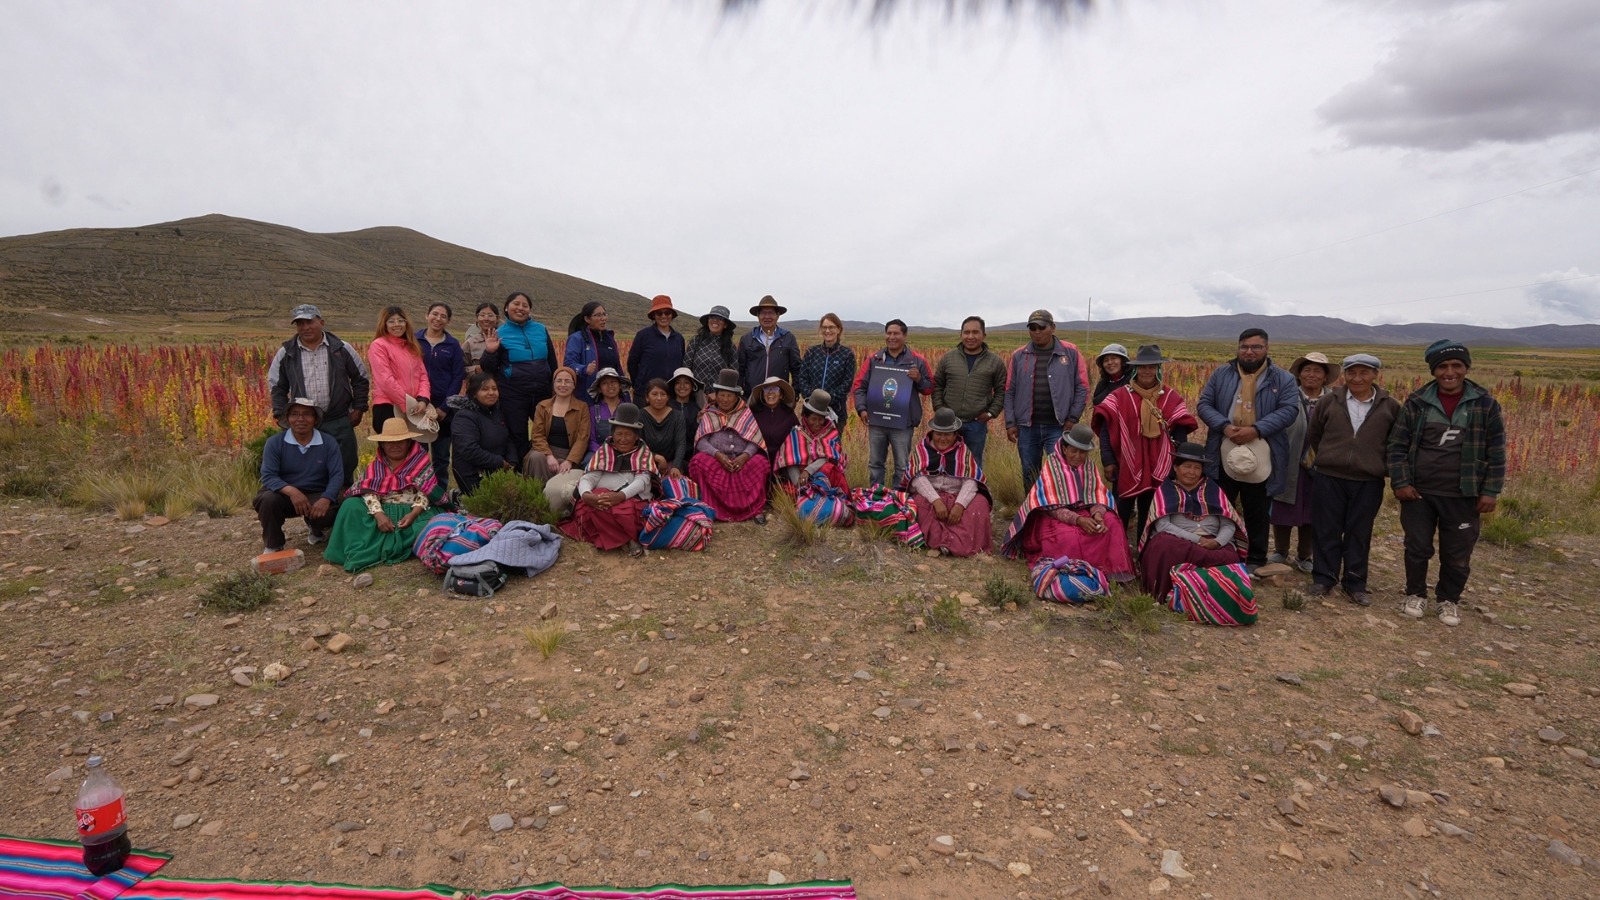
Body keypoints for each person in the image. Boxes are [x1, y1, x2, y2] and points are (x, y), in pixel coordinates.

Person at [1387, 340, 1505, 626]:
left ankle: (1448, 600)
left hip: (1464, 493)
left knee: (1457, 552)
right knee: (1417, 547)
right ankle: (1415, 594)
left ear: (1465, 368)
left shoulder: (1485, 404)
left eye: (1456, 365)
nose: (1449, 372)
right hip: (1419, 493)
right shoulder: (1417, 402)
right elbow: (1396, 445)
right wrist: (1400, 482)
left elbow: (1497, 450)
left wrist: (1490, 490)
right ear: (1433, 370)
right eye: (1442, 366)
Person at [1195, 327, 1301, 570]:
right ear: (1238, 348)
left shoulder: (1282, 379)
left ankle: (1255, 558)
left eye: (1256, 347)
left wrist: (1256, 429)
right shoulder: (1221, 374)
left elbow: (1289, 410)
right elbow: (1204, 404)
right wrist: (1224, 426)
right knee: (1222, 504)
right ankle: (1223, 553)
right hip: (1223, 444)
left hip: (1264, 447)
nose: (1249, 351)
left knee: (1257, 508)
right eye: (1244, 347)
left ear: (1266, 348)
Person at [1306, 353, 1402, 607]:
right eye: (1351, 373)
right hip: (1329, 475)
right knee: (1326, 529)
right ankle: (1324, 579)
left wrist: (1380, 467)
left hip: (1368, 480)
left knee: (1359, 532)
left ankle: (1355, 583)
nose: (1357, 378)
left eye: (1364, 373)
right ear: (1344, 375)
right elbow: (1315, 434)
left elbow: (1395, 442)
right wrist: (1331, 456)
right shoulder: (1329, 401)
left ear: (1375, 375)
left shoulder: (1390, 406)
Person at [1002, 424, 1135, 581]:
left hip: (1084, 511)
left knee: (1113, 523)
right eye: (1074, 451)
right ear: (1065, 449)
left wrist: (1098, 515)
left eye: (1083, 452)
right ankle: (1073, 575)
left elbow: (1097, 495)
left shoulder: (1089, 467)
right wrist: (1078, 520)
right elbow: (1051, 506)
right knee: (1069, 536)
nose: (1078, 456)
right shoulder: (1052, 465)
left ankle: (1109, 572)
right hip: (1056, 515)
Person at [1093, 344, 1197, 542]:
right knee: (1121, 510)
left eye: (1152, 366)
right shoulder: (1119, 396)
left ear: (1158, 368)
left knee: (1150, 511)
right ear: (1135, 368)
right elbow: (1105, 431)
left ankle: (1144, 553)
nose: (1147, 371)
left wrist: (1178, 464)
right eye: (1142, 367)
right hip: (1125, 465)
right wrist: (1108, 461)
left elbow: (1180, 432)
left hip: (1159, 464)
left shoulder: (1170, 397)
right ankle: (1117, 552)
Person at [323, 417, 453, 572]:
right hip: (382, 510)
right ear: (382, 445)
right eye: (389, 442)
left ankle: (391, 543)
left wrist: (413, 514)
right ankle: (376, 544)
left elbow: (426, 492)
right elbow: (368, 492)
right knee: (350, 505)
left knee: (437, 524)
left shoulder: (421, 461)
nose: (395, 446)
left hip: (413, 512)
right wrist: (379, 515)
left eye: (400, 441)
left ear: (408, 442)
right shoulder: (375, 465)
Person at [268, 303, 370, 490]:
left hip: (338, 418)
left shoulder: (341, 348)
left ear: (321, 322)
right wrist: (281, 415)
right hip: (304, 420)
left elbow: (360, 379)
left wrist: (359, 408)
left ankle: (343, 505)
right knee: (309, 465)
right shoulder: (286, 352)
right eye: (300, 323)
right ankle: (316, 510)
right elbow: (277, 386)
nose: (305, 327)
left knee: (345, 462)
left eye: (310, 322)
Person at [1137, 442, 1248, 604]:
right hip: (1179, 542)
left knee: (1229, 556)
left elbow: (1229, 523)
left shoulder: (1214, 490)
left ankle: (1217, 600)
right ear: (1176, 468)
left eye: (1197, 468)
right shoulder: (1165, 490)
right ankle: (1168, 595)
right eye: (1187, 466)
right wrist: (1197, 540)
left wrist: (1217, 542)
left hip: (1212, 542)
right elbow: (1162, 525)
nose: (1192, 472)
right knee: (1163, 545)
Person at [1004, 309, 1090, 493]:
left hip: (1058, 426)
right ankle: (1032, 512)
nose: (1037, 332)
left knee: (1060, 471)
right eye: (1032, 328)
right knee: (1029, 472)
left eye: (1041, 327)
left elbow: (1082, 387)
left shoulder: (1070, 352)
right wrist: (1010, 422)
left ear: (1052, 327)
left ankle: (1061, 511)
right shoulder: (1019, 355)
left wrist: (1073, 418)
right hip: (1027, 426)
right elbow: (1010, 391)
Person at [1269, 352, 1335, 572]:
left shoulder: (1334, 400)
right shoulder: (1288, 396)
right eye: (1307, 370)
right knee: (1284, 503)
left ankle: (1305, 555)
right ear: (1298, 374)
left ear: (1326, 377)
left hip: (1321, 464)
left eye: (1317, 371)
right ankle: (1281, 551)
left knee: (1313, 509)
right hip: (1289, 460)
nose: (1311, 375)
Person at [479, 291, 559, 466]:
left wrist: (555, 384)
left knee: (547, 431)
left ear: (529, 310)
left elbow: (552, 360)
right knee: (518, 435)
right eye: (516, 304)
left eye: (525, 305)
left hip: (542, 391)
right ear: (507, 307)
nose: (520, 308)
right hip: (513, 394)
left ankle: (546, 470)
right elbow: (488, 368)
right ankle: (522, 474)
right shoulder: (500, 333)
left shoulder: (540, 329)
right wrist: (490, 351)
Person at [852, 319, 935, 487]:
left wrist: (918, 379)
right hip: (877, 420)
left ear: (904, 336)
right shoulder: (874, 360)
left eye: (896, 333)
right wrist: (861, 409)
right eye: (888, 333)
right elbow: (859, 387)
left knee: (902, 466)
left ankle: (899, 499)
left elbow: (929, 388)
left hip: (903, 423)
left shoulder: (917, 360)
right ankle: (877, 497)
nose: (892, 337)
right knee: (875, 463)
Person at [255, 397, 343, 553]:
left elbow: (337, 475)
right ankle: (273, 544)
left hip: (317, 494)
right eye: (295, 414)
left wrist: (326, 498)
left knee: (330, 509)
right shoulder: (274, 443)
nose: (300, 419)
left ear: (315, 419)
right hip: (285, 495)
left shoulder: (328, 442)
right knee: (267, 500)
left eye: (307, 414)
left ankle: (317, 529)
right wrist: (292, 491)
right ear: (288, 419)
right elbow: (268, 475)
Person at [567, 403, 655, 557]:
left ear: (636, 437)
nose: (623, 439)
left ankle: (621, 538)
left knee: (623, 512)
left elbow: (641, 481)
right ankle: (627, 539)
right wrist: (587, 495)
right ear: (612, 434)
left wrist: (620, 496)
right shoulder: (605, 451)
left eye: (628, 434)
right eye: (619, 434)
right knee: (587, 507)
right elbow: (589, 477)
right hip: (601, 498)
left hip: (631, 498)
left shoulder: (643, 453)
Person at [905, 408, 994, 557]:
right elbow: (917, 479)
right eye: (939, 434)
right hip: (932, 496)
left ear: (955, 435)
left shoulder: (963, 451)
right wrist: (936, 501)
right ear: (932, 433)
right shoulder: (922, 449)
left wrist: (960, 505)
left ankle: (958, 545)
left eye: (947, 434)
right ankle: (938, 542)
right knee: (917, 503)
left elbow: (971, 480)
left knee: (980, 503)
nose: (942, 439)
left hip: (957, 495)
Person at [689, 368, 771, 523]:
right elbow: (701, 441)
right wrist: (717, 455)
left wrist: (745, 456)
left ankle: (754, 508)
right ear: (716, 396)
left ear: (736, 397)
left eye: (729, 395)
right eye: (722, 395)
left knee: (761, 463)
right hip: (717, 461)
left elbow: (755, 440)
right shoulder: (710, 413)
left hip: (742, 461)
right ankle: (713, 507)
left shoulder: (746, 413)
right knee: (698, 461)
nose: (725, 399)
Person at [932, 316, 1007, 462]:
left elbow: (1001, 391)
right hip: (948, 423)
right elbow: (937, 385)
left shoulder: (995, 362)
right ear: (961, 334)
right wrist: (940, 408)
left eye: (975, 332)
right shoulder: (948, 358)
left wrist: (991, 413)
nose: (970, 336)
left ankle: (972, 486)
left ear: (983, 335)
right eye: (966, 332)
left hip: (976, 424)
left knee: (973, 462)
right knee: (944, 460)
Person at [526, 366, 589, 516]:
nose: (563, 385)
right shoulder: (543, 406)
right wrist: (548, 455)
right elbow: (537, 435)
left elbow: (582, 438)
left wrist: (570, 460)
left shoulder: (582, 407)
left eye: (568, 381)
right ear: (553, 384)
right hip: (546, 452)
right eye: (559, 381)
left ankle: (556, 507)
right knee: (536, 457)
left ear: (574, 385)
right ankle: (539, 500)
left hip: (570, 454)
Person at [417, 302, 466, 488]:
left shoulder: (452, 345)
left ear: (448, 321)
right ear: (426, 315)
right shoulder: (414, 340)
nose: (438, 319)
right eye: (434, 314)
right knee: (418, 456)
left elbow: (457, 376)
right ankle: (419, 493)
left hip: (443, 408)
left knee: (441, 456)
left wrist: (445, 407)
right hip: (418, 405)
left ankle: (440, 496)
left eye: (443, 316)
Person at [367, 305, 437, 435]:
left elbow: (423, 376)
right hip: (388, 407)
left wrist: (423, 399)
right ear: (384, 324)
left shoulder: (412, 346)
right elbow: (385, 380)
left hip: (415, 408)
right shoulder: (379, 346)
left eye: (400, 320)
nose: (397, 324)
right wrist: (408, 404)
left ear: (406, 323)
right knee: (395, 451)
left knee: (417, 450)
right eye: (391, 321)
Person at [448, 372, 517, 495]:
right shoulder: (464, 417)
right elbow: (469, 450)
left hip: (500, 471)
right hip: (474, 475)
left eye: (494, 389)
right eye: (484, 389)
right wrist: (500, 462)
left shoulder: (497, 412)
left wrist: (512, 461)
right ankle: (459, 497)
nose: (491, 393)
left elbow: (508, 439)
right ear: (474, 393)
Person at [774, 390, 850, 492]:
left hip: (824, 480)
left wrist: (807, 471)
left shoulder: (831, 433)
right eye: (813, 419)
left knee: (828, 468)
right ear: (805, 417)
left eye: (820, 419)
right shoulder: (796, 433)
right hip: (799, 481)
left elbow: (828, 457)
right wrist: (799, 485)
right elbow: (789, 461)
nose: (817, 423)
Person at [796, 313, 856, 428]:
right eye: (824, 327)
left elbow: (846, 384)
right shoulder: (811, 352)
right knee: (809, 445)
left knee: (831, 445)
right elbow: (802, 378)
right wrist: (813, 400)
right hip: (810, 411)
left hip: (835, 412)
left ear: (838, 329)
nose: (827, 331)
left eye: (831, 327)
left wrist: (826, 401)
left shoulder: (847, 354)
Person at [737, 295, 802, 396]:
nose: (767, 317)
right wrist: (741, 393)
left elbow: (796, 369)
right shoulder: (747, 339)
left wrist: (794, 394)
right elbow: (740, 369)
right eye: (763, 313)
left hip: (779, 398)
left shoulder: (788, 338)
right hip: (752, 397)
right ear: (758, 316)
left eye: (771, 313)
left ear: (777, 315)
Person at [564, 302, 625, 400]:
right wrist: (584, 369)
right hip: (587, 396)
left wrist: (624, 393)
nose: (603, 318)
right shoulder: (577, 338)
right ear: (587, 319)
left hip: (610, 396)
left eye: (604, 314)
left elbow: (617, 366)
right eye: (598, 315)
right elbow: (569, 364)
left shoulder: (609, 338)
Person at [628, 295, 687, 388]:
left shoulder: (679, 338)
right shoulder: (643, 335)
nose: (663, 316)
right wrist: (638, 386)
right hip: (646, 394)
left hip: (671, 393)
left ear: (672, 315)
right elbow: (632, 362)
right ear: (654, 316)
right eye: (659, 313)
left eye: (667, 313)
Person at [639, 378, 689, 477]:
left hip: (672, 462)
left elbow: (681, 443)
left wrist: (676, 466)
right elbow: (638, 444)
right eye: (654, 394)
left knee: (673, 486)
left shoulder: (677, 416)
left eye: (663, 394)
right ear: (647, 398)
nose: (659, 398)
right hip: (646, 461)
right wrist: (657, 457)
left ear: (668, 397)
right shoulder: (640, 415)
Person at [685, 305, 738, 390]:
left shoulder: (731, 347)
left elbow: (733, 374)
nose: (715, 320)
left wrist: (717, 393)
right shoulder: (696, 341)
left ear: (725, 325)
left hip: (719, 397)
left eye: (720, 318)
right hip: (695, 393)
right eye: (712, 317)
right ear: (708, 321)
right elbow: (686, 368)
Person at [750, 376, 799, 466]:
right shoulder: (754, 414)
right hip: (759, 459)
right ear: (762, 394)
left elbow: (797, 439)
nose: (770, 392)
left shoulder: (789, 414)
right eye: (767, 389)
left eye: (775, 389)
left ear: (781, 395)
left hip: (785, 460)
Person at [586, 368, 631, 458]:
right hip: (598, 453)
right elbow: (591, 439)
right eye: (605, 383)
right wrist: (604, 453)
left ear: (620, 385)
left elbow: (633, 436)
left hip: (625, 452)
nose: (610, 386)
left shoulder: (629, 409)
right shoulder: (593, 410)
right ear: (599, 389)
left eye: (613, 381)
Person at [462, 302, 499, 379]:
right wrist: (475, 369)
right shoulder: (470, 343)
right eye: (482, 315)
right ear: (477, 318)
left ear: (497, 318)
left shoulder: (505, 339)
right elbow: (460, 369)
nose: (486, 319)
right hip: (478, 387)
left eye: (490, 315)